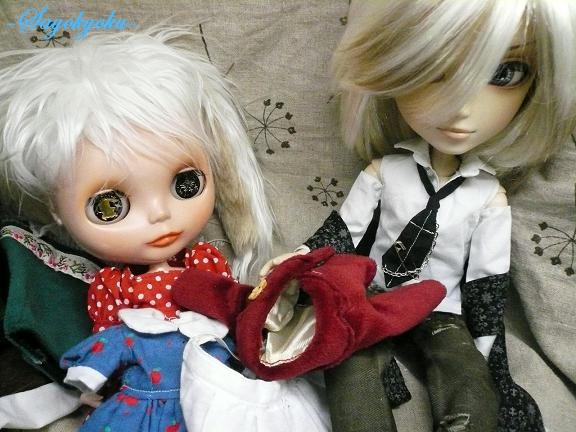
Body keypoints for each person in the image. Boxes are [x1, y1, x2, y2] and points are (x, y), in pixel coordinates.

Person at [262, 1, 576, 431]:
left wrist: (491, 361)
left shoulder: (489, 199)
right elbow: (343, 231)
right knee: (350, 366)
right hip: (371, 295)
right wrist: (298, 261)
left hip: (440, 306)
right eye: (434, 67)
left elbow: (485, 282)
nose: (462, 106)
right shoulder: (384, 173)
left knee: (465, 374)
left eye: (505, 73)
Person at [0, 27, 282, 431]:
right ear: (57, 213)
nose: (160, 215)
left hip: (219, 388)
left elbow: (232, 314)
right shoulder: (111, 285)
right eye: (110, 206)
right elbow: (107, 340)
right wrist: (96, 379)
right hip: (143, 399)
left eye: (185, 183)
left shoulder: (204, 261)